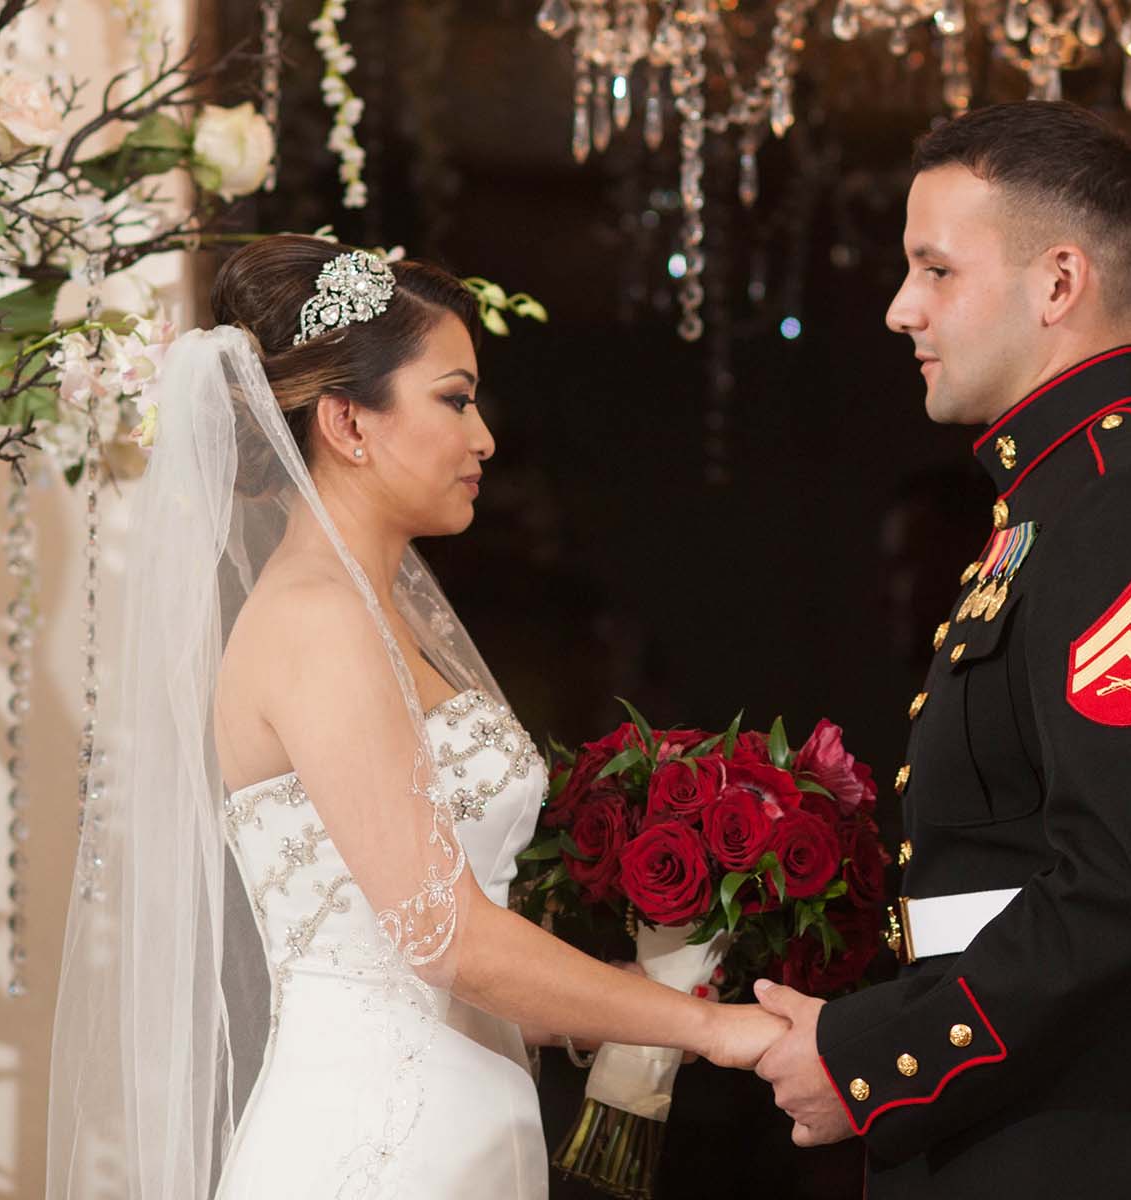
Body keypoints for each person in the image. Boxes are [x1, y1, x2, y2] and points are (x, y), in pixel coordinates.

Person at [44, 234, 787, 1199]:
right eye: (455, 399)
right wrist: (712, 1028)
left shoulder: (379, 613)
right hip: (376, 1148)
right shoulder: (316, 619)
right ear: (349, 422)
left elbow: (426, 951)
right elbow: (447, 939)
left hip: (466, 1132)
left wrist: (632, 998)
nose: (484, 439)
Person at [751, 101, 1131, 1197]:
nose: (902, 308)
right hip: (1043, 1109)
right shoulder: (1062, 499)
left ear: (1058, 283)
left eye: (936, 270)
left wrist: (879, 1063)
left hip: (1092, 1129)